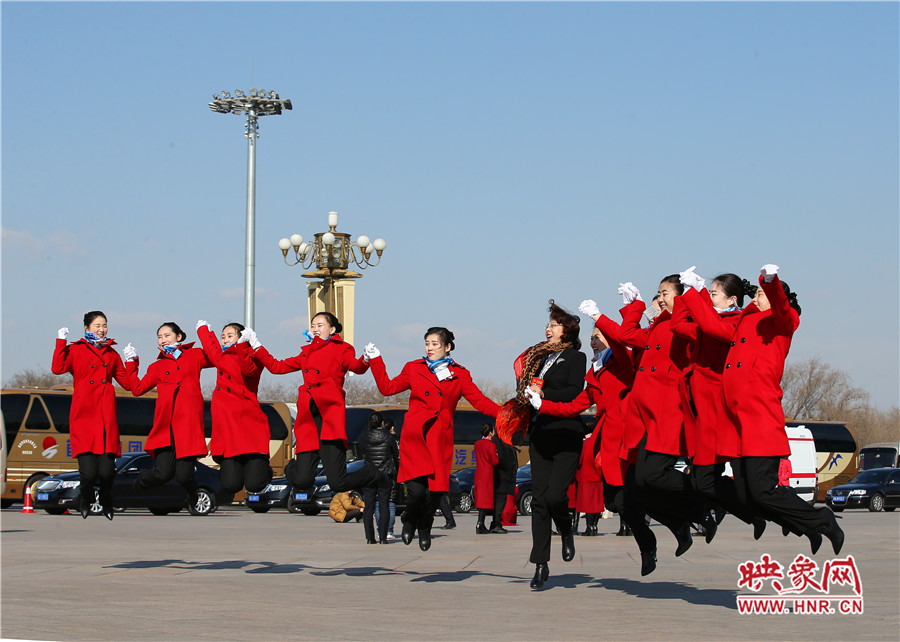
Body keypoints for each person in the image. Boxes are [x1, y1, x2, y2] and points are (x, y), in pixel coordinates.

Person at [722, 265, 844, 554]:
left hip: (760, 416)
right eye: (756, 293)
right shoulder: (746, 322)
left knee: (762, 491)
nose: (756, 297)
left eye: (761, 294)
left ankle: (821, 519)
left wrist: (770, 281)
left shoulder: (783, 322)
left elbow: (780, 305)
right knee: (745, 494)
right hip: (737, 419)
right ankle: (809, 526)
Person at [364, 327, 500, 552]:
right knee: (417, 491)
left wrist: (505, 413)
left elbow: (480, 401)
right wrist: (376, 360)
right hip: (416, 437)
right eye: (427, 343)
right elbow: (387, 388)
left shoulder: (460, 374)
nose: (429, 348)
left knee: (435, 494)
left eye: (435, 344)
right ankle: (409, 519)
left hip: (439, 439)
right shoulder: (414, 368)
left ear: (447, 347)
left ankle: (425, 529)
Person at [617, 277, 712, 555]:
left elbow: (706, 323)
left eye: (665, 293)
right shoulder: (657, 326)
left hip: (667, 412)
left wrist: (696, 293)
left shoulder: (685, 325)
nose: (659, 299)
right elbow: (626, 335)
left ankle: (706, 500)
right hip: (644, 416)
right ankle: (683, 523)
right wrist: (634, 305)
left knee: (652, 478)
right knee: (640, 486)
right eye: (658, 294)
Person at [672, 269, 767, 540]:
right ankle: (747, 514)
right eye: (710, 293)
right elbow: (678, 325)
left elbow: (712, 327)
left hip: (717, 408)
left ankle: (752, 511)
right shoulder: (710, 318)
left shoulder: (737, 321)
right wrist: (686, 296)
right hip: (700, 406)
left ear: (732, 300)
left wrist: (696, 293)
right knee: (703, 479)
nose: (711, 298)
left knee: (707, 478)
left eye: (715, 294)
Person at [248, 313, 383, 496]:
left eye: (320, 325)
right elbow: (276, 367)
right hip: (309, 422)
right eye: (313, 326)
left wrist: (366, 359)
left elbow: (356, 367)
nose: (315, 329)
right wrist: (256, 345)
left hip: (329, 422)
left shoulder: (342, 349)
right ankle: (291, 467)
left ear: (332, 329)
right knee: (302, 481)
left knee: (338, 483)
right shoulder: (306, 352)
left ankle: (371, 472)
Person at [519, 300, 587, 590]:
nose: (548, 329)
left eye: (555, 325)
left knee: (556, 497)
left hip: (566, 434)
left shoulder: (576, 357)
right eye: (548, 325)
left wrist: (544, 394)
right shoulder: (539, 359)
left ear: (567, 330)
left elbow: (573, 392)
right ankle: (540, 564)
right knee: (539, 501)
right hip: (541, 434)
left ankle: (566, 528)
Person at [51, 311, 136, 519]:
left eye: (104, 325)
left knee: (107, 471)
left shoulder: (111, 354)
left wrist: (132, 361)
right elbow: (58, 368)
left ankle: (106, 499)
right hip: (84, 416)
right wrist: (61, 342)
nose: (101, 329)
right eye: (97, 325)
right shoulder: (76, 350)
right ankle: (85, 497)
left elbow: (129, 384)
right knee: (88, 473)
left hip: (106, 417)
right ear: (87, 328)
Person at [125, 322, 212, 506]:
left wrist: (205, 332)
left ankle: (193, 493)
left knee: (184, 475)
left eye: (167, 335)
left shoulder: (194, 355)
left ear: (178, 337)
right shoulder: (157, 366)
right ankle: (139, 484)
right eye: (160, 337)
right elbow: (137, 389)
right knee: (163, 473)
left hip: (188, 426)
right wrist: (131, 363)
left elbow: (215, 357)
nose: (163, 340)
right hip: (166, 427)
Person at [196, 320, 273, 494]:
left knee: (255, 484)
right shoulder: (222, 357)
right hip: (228, 425)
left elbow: (248, 370)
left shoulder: (253, 356)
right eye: (223, 336)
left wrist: (243, 346)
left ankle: (263, 470)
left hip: (248, 422)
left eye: (230, 336)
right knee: (230, 485)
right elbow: (211, 348)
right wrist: (203, 329)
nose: (225, 339)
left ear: (242, 338)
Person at [361, 411, 399, 544]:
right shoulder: (389, 436)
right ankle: (383, 537)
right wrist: (397, 472)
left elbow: (364, 453)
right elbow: (395, 455)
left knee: (368, 507)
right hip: (385, 474)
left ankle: (370, 538)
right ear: (382, 423)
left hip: (369, 474)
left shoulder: (365, 436)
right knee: (384, 506)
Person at [474, 424, 500, 534]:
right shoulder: (491, 445)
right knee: (486, 499)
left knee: (481, 498)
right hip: (487, 474)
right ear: (490, 433)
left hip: (479, 472)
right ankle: (480, 524)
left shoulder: (477, 444)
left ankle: (480, 523)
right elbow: (495, 461)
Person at [491, 430, 518, 533]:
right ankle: (496, 524)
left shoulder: (505, 441)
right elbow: (501, 458)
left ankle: (496, 523)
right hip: (502, 476)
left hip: (505, 476)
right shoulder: (499, 441)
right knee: (500, 501)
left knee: (501, 501)